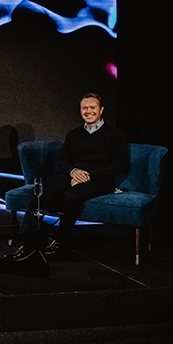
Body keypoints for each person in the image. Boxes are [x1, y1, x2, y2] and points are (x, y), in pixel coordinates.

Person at [27, 92, 128, 254]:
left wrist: (88, 176)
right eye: (84, 108)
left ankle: (60, 243)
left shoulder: (115, 135)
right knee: (41, 192)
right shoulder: (73, 134)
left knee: (71, 196)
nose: (88, 111)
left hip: (100, 180)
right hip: (73, 175)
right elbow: (62, 162)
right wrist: (73, 172)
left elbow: (117, 166)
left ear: (101, 109)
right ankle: (31, 241)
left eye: (92, 107)